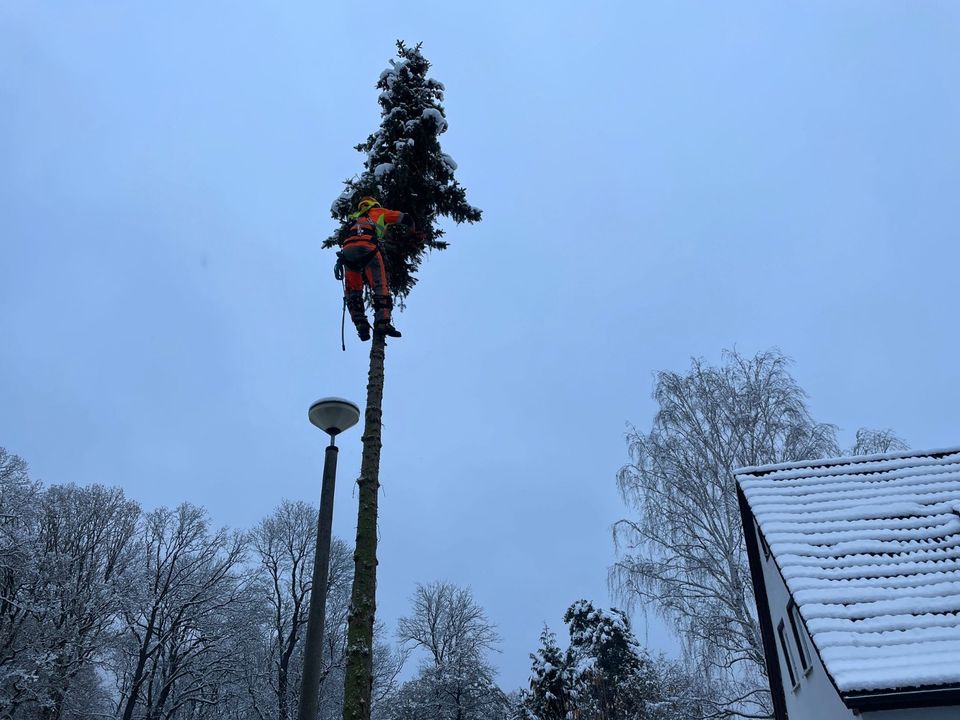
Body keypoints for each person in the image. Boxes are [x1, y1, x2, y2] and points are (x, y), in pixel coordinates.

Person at [336, 196, 413, 341]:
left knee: (353, 291)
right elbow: (403, 218)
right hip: (368, 247)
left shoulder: (353, 219)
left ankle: (361, 325)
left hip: (348, 251)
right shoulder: (378, 211)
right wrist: (411, 230)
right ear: (374, 204)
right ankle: (382, 323)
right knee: (380, 286)